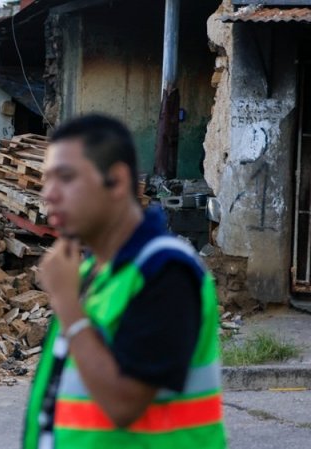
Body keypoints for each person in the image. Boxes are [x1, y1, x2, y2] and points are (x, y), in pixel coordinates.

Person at [22, 114, 226, 448]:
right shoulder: (92, 272)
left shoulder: (165, 270)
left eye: (66, 178)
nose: (49, 194)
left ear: (116, 181)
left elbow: (123, 404)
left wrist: (67, 305)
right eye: (47, 180)